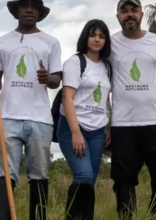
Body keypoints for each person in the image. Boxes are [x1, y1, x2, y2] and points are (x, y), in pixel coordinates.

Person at [0, 0, 62, 220]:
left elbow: (56, 80)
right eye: (25, 6)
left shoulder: (51, 42)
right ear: (17, 10)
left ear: (39, 12)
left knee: (39, 175)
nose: (29, 10)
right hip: (7, 116)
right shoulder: (1, 42)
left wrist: (46, 78)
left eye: (34, 6)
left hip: (40, 120)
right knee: (5, 176)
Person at [110, 0, 156, 219]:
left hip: (154, 122)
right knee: (123, 180)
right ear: (118, 17)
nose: (129, 14)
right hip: (122, 124)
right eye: (124, 11)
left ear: (142, 14)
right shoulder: (110, 44)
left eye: (134, 10)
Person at [57, 19, 113, 220]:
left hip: (97, 131)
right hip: (73, 127)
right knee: (83, 176)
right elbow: (67, 97)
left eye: (101, 36)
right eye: (93, 35)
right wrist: (75, 132)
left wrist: (108, 126)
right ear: (85, 37)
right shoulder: (75, 62)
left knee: (91, 180)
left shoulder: (106, 67)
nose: (97, 39)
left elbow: (106, 99)